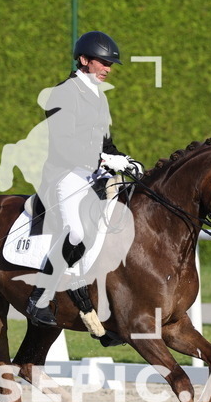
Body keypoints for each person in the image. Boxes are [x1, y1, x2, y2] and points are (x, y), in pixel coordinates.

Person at [23, 31, 141, 328]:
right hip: (65, 174)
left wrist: (126, 160)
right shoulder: (62, 93)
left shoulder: (98, 97)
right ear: (84, 60)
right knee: (76, 232)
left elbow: (106, 143)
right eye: (103, 62)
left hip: (93, 174)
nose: (108, 68)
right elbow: (63, 145)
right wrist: (104, 160)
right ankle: (39, 298)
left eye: (110, 64)